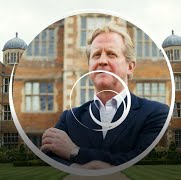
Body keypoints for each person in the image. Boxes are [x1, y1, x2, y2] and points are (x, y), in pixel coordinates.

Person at [41, 23, 169, 169]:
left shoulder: (156, 113)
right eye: (96, 55)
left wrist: (74, 152)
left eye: (111, 54)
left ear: (130, 66)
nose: (102, 60)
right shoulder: (69, 118)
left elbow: (138, 161)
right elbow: (50, 160)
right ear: (89, 65)